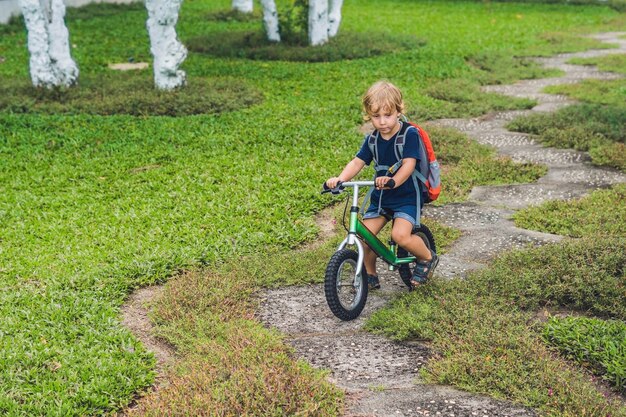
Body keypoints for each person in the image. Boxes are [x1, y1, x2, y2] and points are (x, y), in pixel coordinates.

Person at [326, 80, 438, 289]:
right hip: (381, 197)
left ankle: (426, 257)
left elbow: (408, 164)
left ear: (398, 110)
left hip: (405, 196)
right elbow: (357, 162)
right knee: (366, 237)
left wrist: (393, 180)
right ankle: (370, 275)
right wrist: (340, 179)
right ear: (369, 115)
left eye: (387, 115)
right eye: (376, 116)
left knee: (400, 236)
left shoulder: (409, 134)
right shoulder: (372, 140)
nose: (382, 121)